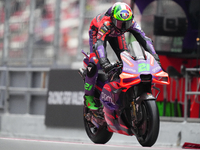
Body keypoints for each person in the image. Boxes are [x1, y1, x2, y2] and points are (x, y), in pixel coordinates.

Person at [84, 2, 161, 110]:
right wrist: (104, 62)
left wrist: (154, 55)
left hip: (116, 34)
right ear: (113, 18)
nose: (124, 26)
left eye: (127, 23)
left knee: (126, 59)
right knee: (95, 62)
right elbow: (100, 44)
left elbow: (144, 39)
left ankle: (124, 92)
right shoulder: (106, 23)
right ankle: (88, 96)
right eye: (121, 23)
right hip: (97, 33)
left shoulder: (131, 23)